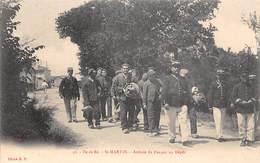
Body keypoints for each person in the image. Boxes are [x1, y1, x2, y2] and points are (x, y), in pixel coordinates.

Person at [161, 61, 191, 146]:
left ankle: (184, 139)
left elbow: (187, 90)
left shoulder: (183, 79)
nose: (176, 68)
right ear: (171, 68)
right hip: (170, 103)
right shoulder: (167, 78)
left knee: (183, 121)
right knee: (171, 122)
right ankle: (172, 136)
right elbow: (164, 92)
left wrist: (187, 101)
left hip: (182, 104)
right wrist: (165, 102)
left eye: (178, 67)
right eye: (174, 67)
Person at [231, 72, 257, 146]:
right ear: (240, 77)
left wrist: (251, 100)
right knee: (241, 124)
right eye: (243, 77)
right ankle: (242, 139)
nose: (244, 79)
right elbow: (233, 97)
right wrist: (240, 101)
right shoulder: (236, 86)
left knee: (251, 125)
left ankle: (249, 139)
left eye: (245, 77)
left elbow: (256, 96)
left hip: (250, 108)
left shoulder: (251, 86)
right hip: (240, 108)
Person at [111, 63, 135, 134]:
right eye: (124, 68)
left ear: (128, 69)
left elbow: (134, 84)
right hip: (122, 97)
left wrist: (132, 88)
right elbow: (114, 87)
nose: (125, 70)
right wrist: (122, 89)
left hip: (131, 97)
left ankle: (130, 125)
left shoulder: (131, 76)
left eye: (127, 68)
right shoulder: (118, 77)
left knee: (131, 111)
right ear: (121, 69)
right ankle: (124, 127)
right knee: (123, 112)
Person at [208, 69, 229, 142]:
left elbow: (227, 95)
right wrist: (210, 105)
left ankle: (221, 135)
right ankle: (218, 135)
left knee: (222, 121)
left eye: (222, 75)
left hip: (223, 105)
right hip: (216, 105)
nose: (221, 77)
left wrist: (227, 104)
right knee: (218, 120)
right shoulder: (213, 84)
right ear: (217, 76)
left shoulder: (225, 84)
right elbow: (210, 95)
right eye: (219, 75)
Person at [143, 69, 162, 136]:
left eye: (153, 75)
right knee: (150, 116)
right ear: (148, 76)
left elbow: (162, 88)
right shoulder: (146, 83)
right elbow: (144, 94)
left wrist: (161, 94)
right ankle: (152, 130)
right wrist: (144, 103)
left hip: (157, 101)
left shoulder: (158, 81)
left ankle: (156, 129)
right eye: (151, 75)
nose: (152, 77)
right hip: (150, 101)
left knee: (157, 115)